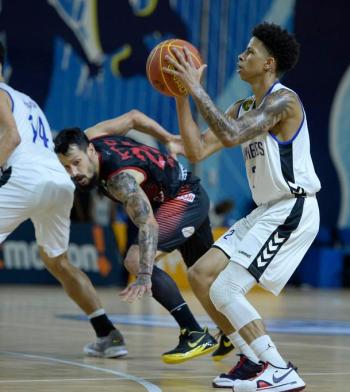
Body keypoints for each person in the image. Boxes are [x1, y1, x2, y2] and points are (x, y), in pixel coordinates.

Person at [164, 22, 320, 391]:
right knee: (201, 275)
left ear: (268, 64)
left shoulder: (284, 101)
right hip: (266, 210)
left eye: (250, 52)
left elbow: (232, 136)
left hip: (292, 209)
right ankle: (250, 358)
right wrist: (181, 95)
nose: (241, 55)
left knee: (227, 289)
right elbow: (197, 149)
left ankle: (279, 368)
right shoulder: (243, 106)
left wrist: (199, 88)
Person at [53, 115, 222, 364]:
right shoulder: (93, 132)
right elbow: (133, 117)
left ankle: (194, 332)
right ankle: (230, 334)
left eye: (77, 163)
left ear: (90, 149)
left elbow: (148, 223)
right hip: (178, 192)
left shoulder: (120, 180)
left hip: (182, 198)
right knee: (205, 276)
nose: (74, 173)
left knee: (134, 260)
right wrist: (167, 138)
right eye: (67, 167)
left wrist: (143, 274)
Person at [0, 41, 126, 359]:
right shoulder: (26, 100)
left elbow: (11, 138)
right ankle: (107, 333)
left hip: (25, 177)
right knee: (57, 261)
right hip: (58, 182)